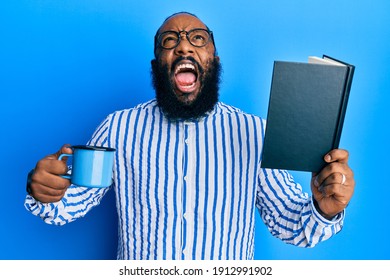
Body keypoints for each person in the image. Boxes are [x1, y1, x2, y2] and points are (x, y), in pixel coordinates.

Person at [24, 12, 355, 260]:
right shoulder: (118, 128)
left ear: (214, 61)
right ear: (157, 66)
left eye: (197, 38)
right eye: (170, 41)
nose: (183, 45)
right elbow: (69, 204)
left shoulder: (255, 132)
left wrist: (323, 209)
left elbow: (291, 222)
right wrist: (46, 192)